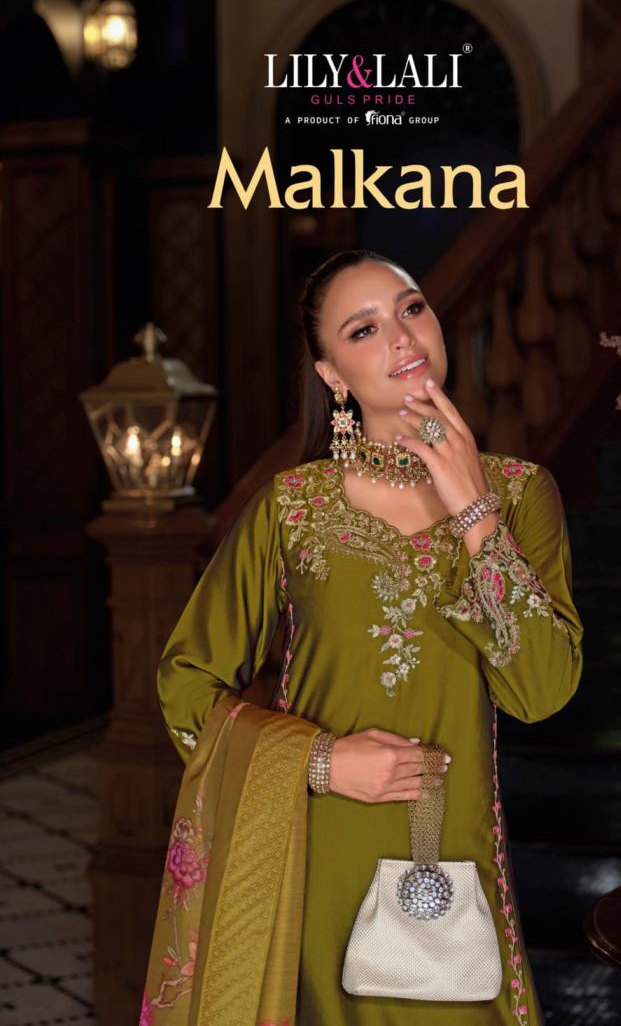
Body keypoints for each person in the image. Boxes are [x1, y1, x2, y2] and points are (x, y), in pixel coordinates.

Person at [140, 249, 584, 1026]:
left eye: (411, 308)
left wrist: (472, 509)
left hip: (450, 858)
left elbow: (541, 690)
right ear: (331, 374)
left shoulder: (517, 494)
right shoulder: (292, 506)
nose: (401, 336)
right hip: (314, 859)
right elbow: (186, 681)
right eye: (363, 328)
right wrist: (317, 761)